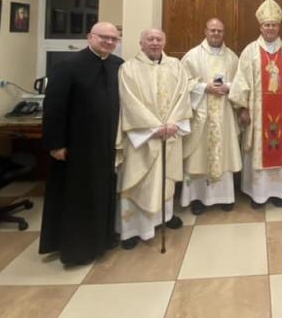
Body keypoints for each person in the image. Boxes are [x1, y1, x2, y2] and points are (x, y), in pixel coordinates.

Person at [40, 21, 123, 265]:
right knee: (78, 197)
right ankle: (77, 250)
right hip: (78, 145)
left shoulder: (119, 66)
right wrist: (56, 143)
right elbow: (54, 107)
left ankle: (104, 239)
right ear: (90, 37)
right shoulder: (68, 66)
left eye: (114, 38)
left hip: (108, 144)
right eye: (104, 37)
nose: (109, 42)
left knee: (104, 192)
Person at [117, 29, 192, 250]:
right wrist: (152, 128)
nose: (155, 43)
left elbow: (183, 95)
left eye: (159, 39)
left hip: (170, 132)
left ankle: (165, 217)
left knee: (165, 178)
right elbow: (129, 101)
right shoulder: (128, 69)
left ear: (164, 42)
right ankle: (132, 229)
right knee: (139, 179)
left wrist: (174, 123)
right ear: (141, 43)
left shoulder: (175, 66)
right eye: (150, 39)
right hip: (144, 137)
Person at [229, 0, 282, 208]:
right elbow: (241, 80)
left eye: (274, 25)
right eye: (267, 25)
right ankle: (258, 194)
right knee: (259, 149)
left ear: (279, 27)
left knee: (280, 147)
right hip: (257, 112)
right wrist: (243, 107)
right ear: (260, 27)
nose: (270, 28)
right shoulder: (250, 51)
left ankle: (280, 193)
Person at [180, 18, 242, 215]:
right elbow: (182, 83)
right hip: (201, 114)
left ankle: (225, 197)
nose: (216, 33)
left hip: (224, 114)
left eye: (219, 31)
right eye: (212, 30)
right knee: (198, 156)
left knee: (223, 154)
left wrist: (229, 87)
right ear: (205, 31)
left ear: (224, 33)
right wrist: (204, 87)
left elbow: (241, 83)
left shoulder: (232, 58)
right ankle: (197, 198)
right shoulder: (192, 56)